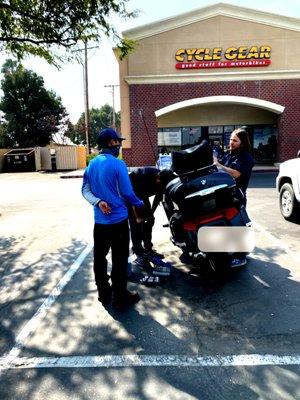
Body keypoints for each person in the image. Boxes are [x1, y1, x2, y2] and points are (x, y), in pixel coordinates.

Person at [81, 128, 144, 309]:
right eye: (118, 142)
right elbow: (127, 193)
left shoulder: (91, 164)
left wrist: (98, 202)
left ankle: (103, 292)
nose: (120, 145)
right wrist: (139, 204)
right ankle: (120, 296)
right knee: (119, 258)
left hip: (100, 223)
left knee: (100, 258)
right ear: (111, 143)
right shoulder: (118, 165)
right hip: (118, 222)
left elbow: (85, 190)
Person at [214, 127, 254, 267]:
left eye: (235, 140)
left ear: (242, 143)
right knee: (226, 224)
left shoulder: (246, 158)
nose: (231, 142)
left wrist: (219, 165)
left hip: (237, 196)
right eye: (230, 139)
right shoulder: (229, 154)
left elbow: (237, 174)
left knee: (238, 226)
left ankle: (241, 256)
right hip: (224, 195)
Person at [128, 167, 175, 267]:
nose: (161, 186)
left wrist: (151, 214)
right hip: (132, 193)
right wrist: (138, 217)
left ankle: (148, 250)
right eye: (160, 183)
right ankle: (138, 253)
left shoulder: (165, 181)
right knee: (136, 225)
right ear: (158, 178)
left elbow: (158, 197)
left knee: (150, 221)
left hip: (142, 195)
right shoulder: (144, 178)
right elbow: (134, 200)